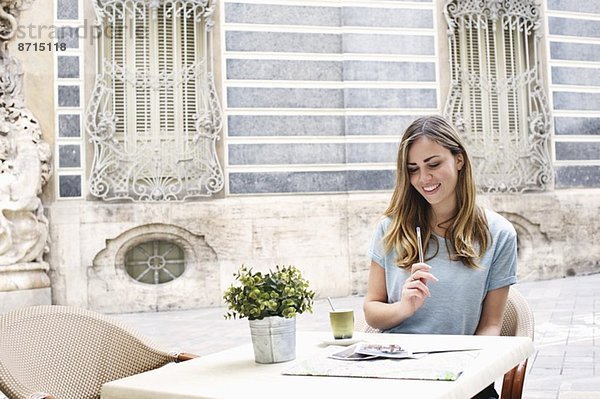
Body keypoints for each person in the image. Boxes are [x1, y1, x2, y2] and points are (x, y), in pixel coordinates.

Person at [363, 115, 517, 399]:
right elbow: (372, 311)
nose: (424, 179)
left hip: (462, 371)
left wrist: (469, 369)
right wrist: (405, 308)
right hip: (395, 371)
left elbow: (491, 324)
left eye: (433, 164)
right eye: (413, 169)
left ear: (458, 159)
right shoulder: (390, 228)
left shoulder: (499, 234)